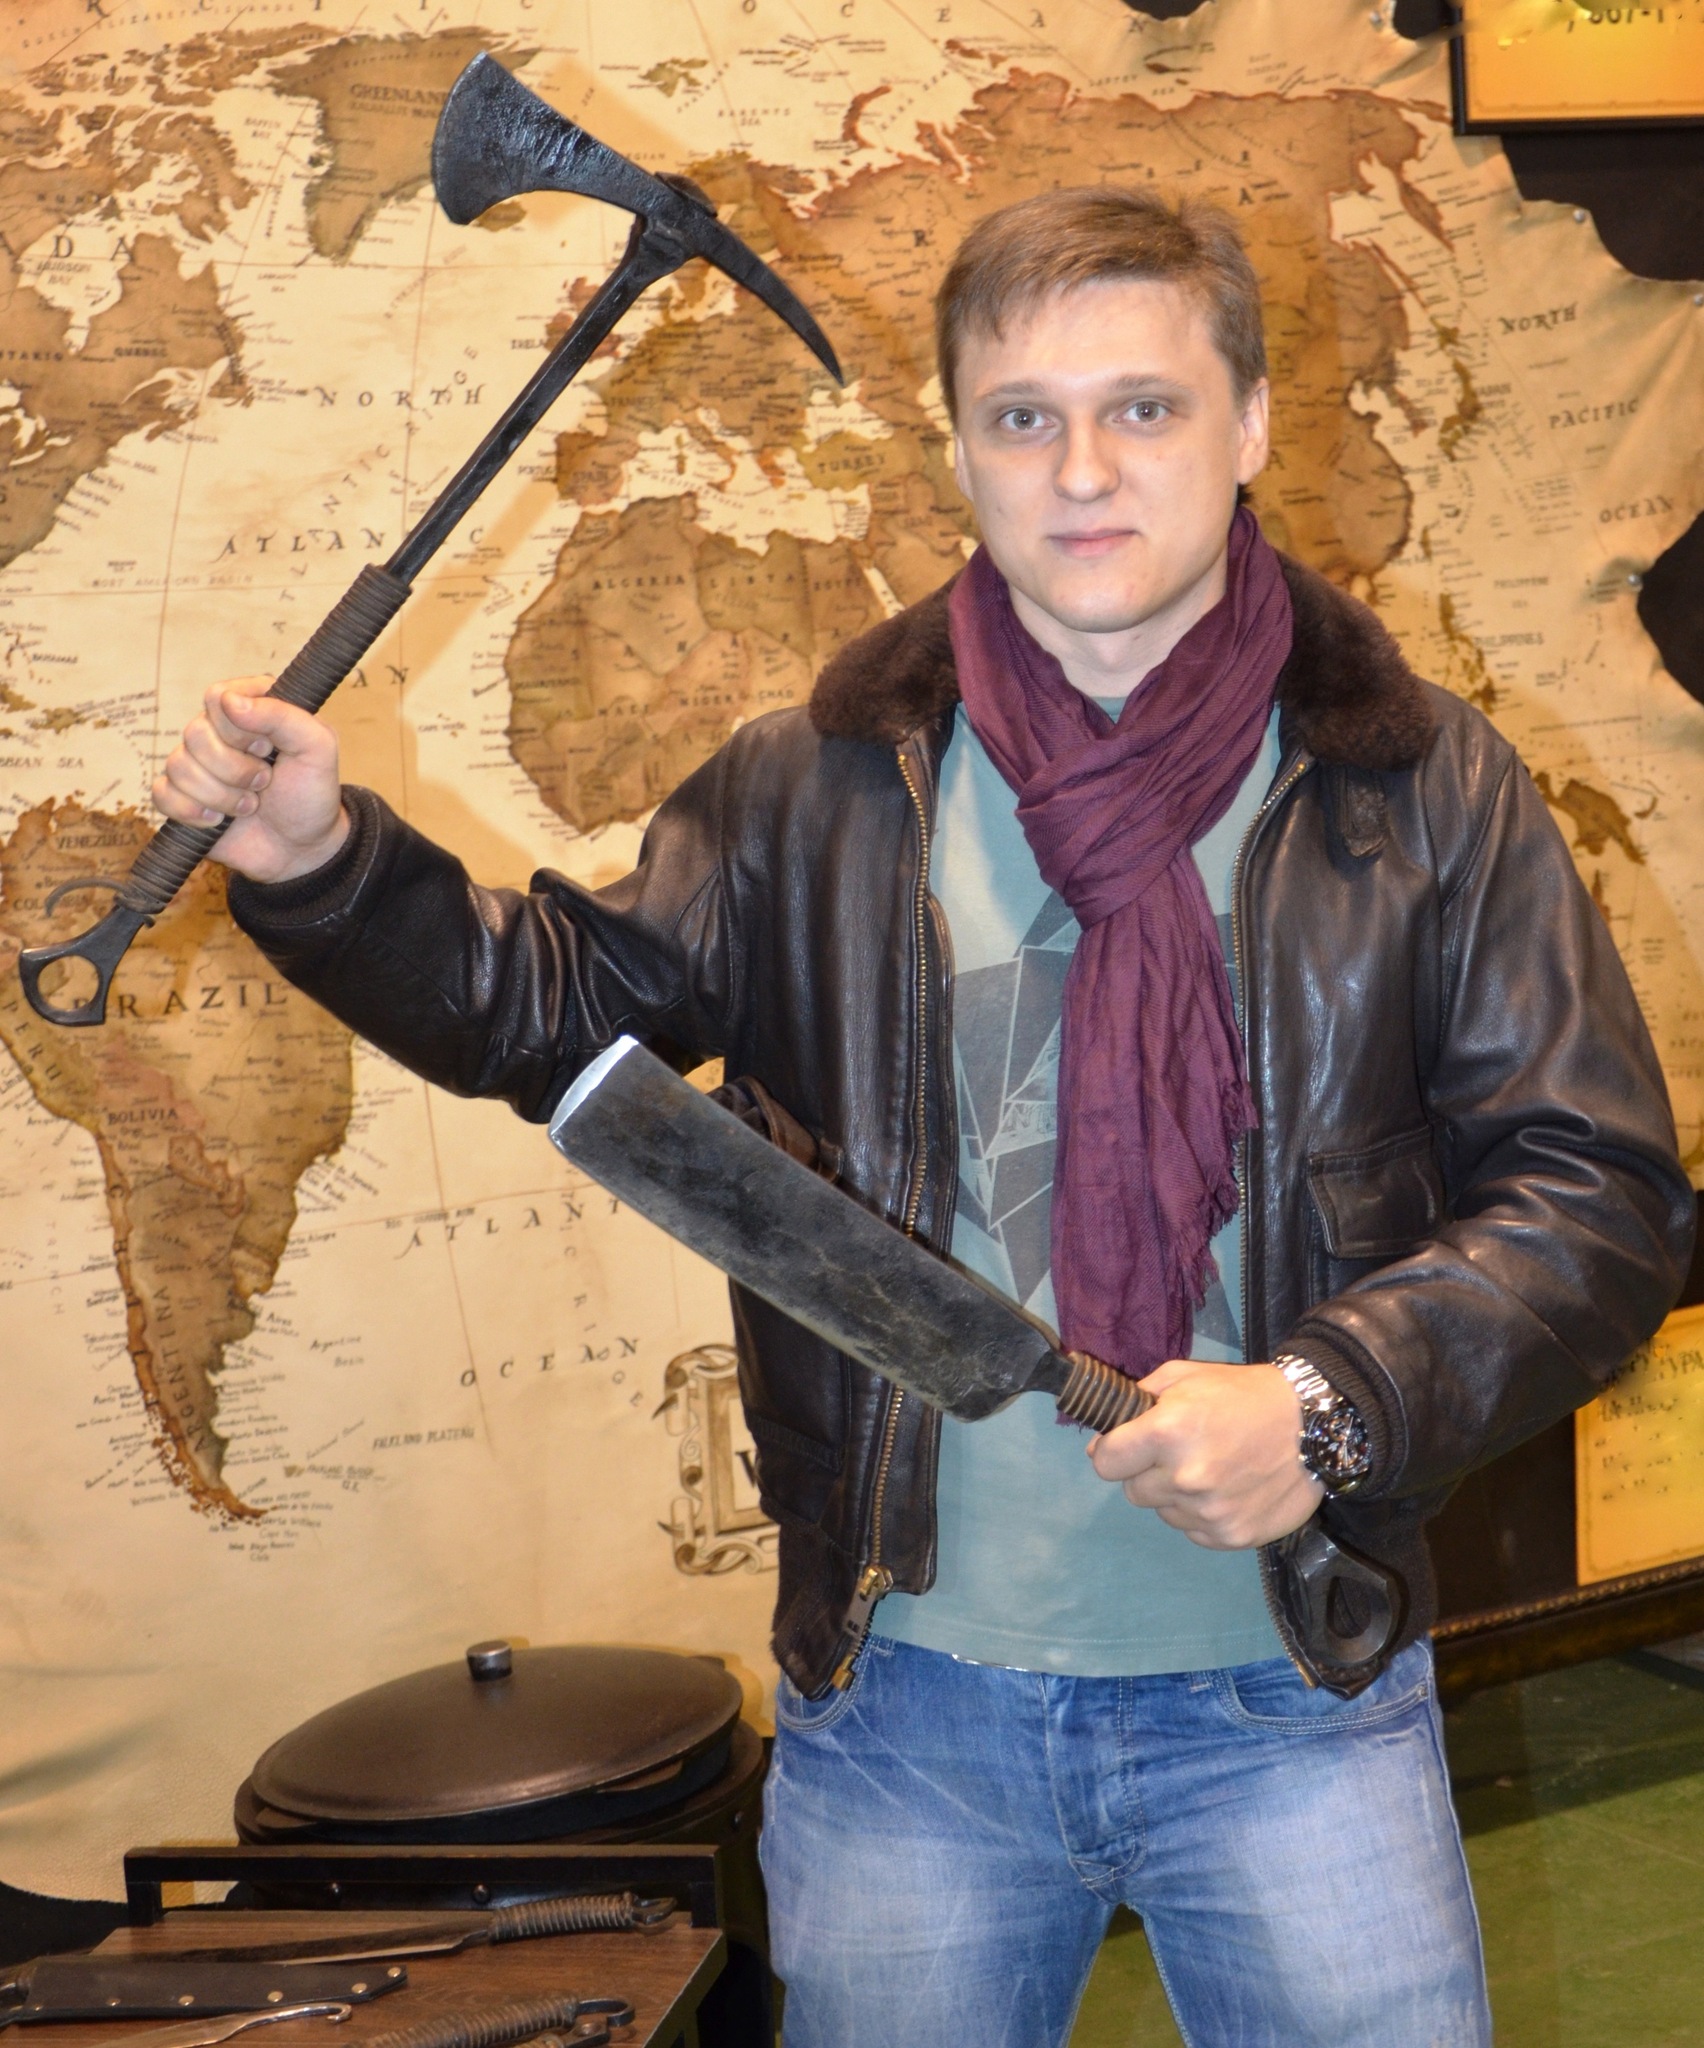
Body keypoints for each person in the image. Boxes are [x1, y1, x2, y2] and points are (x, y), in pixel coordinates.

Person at [157, 187, 1693, 2047]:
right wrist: (323, 862)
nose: (1082, 471)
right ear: (960, 448)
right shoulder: (813, 788)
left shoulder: (1424, 788)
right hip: (905, 1711)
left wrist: (1329, 1400)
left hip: (1295, 1685)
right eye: (1022, 417)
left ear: (1250, 426)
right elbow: (552, 1012)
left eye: (1143, 408)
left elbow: (1599, 1193)